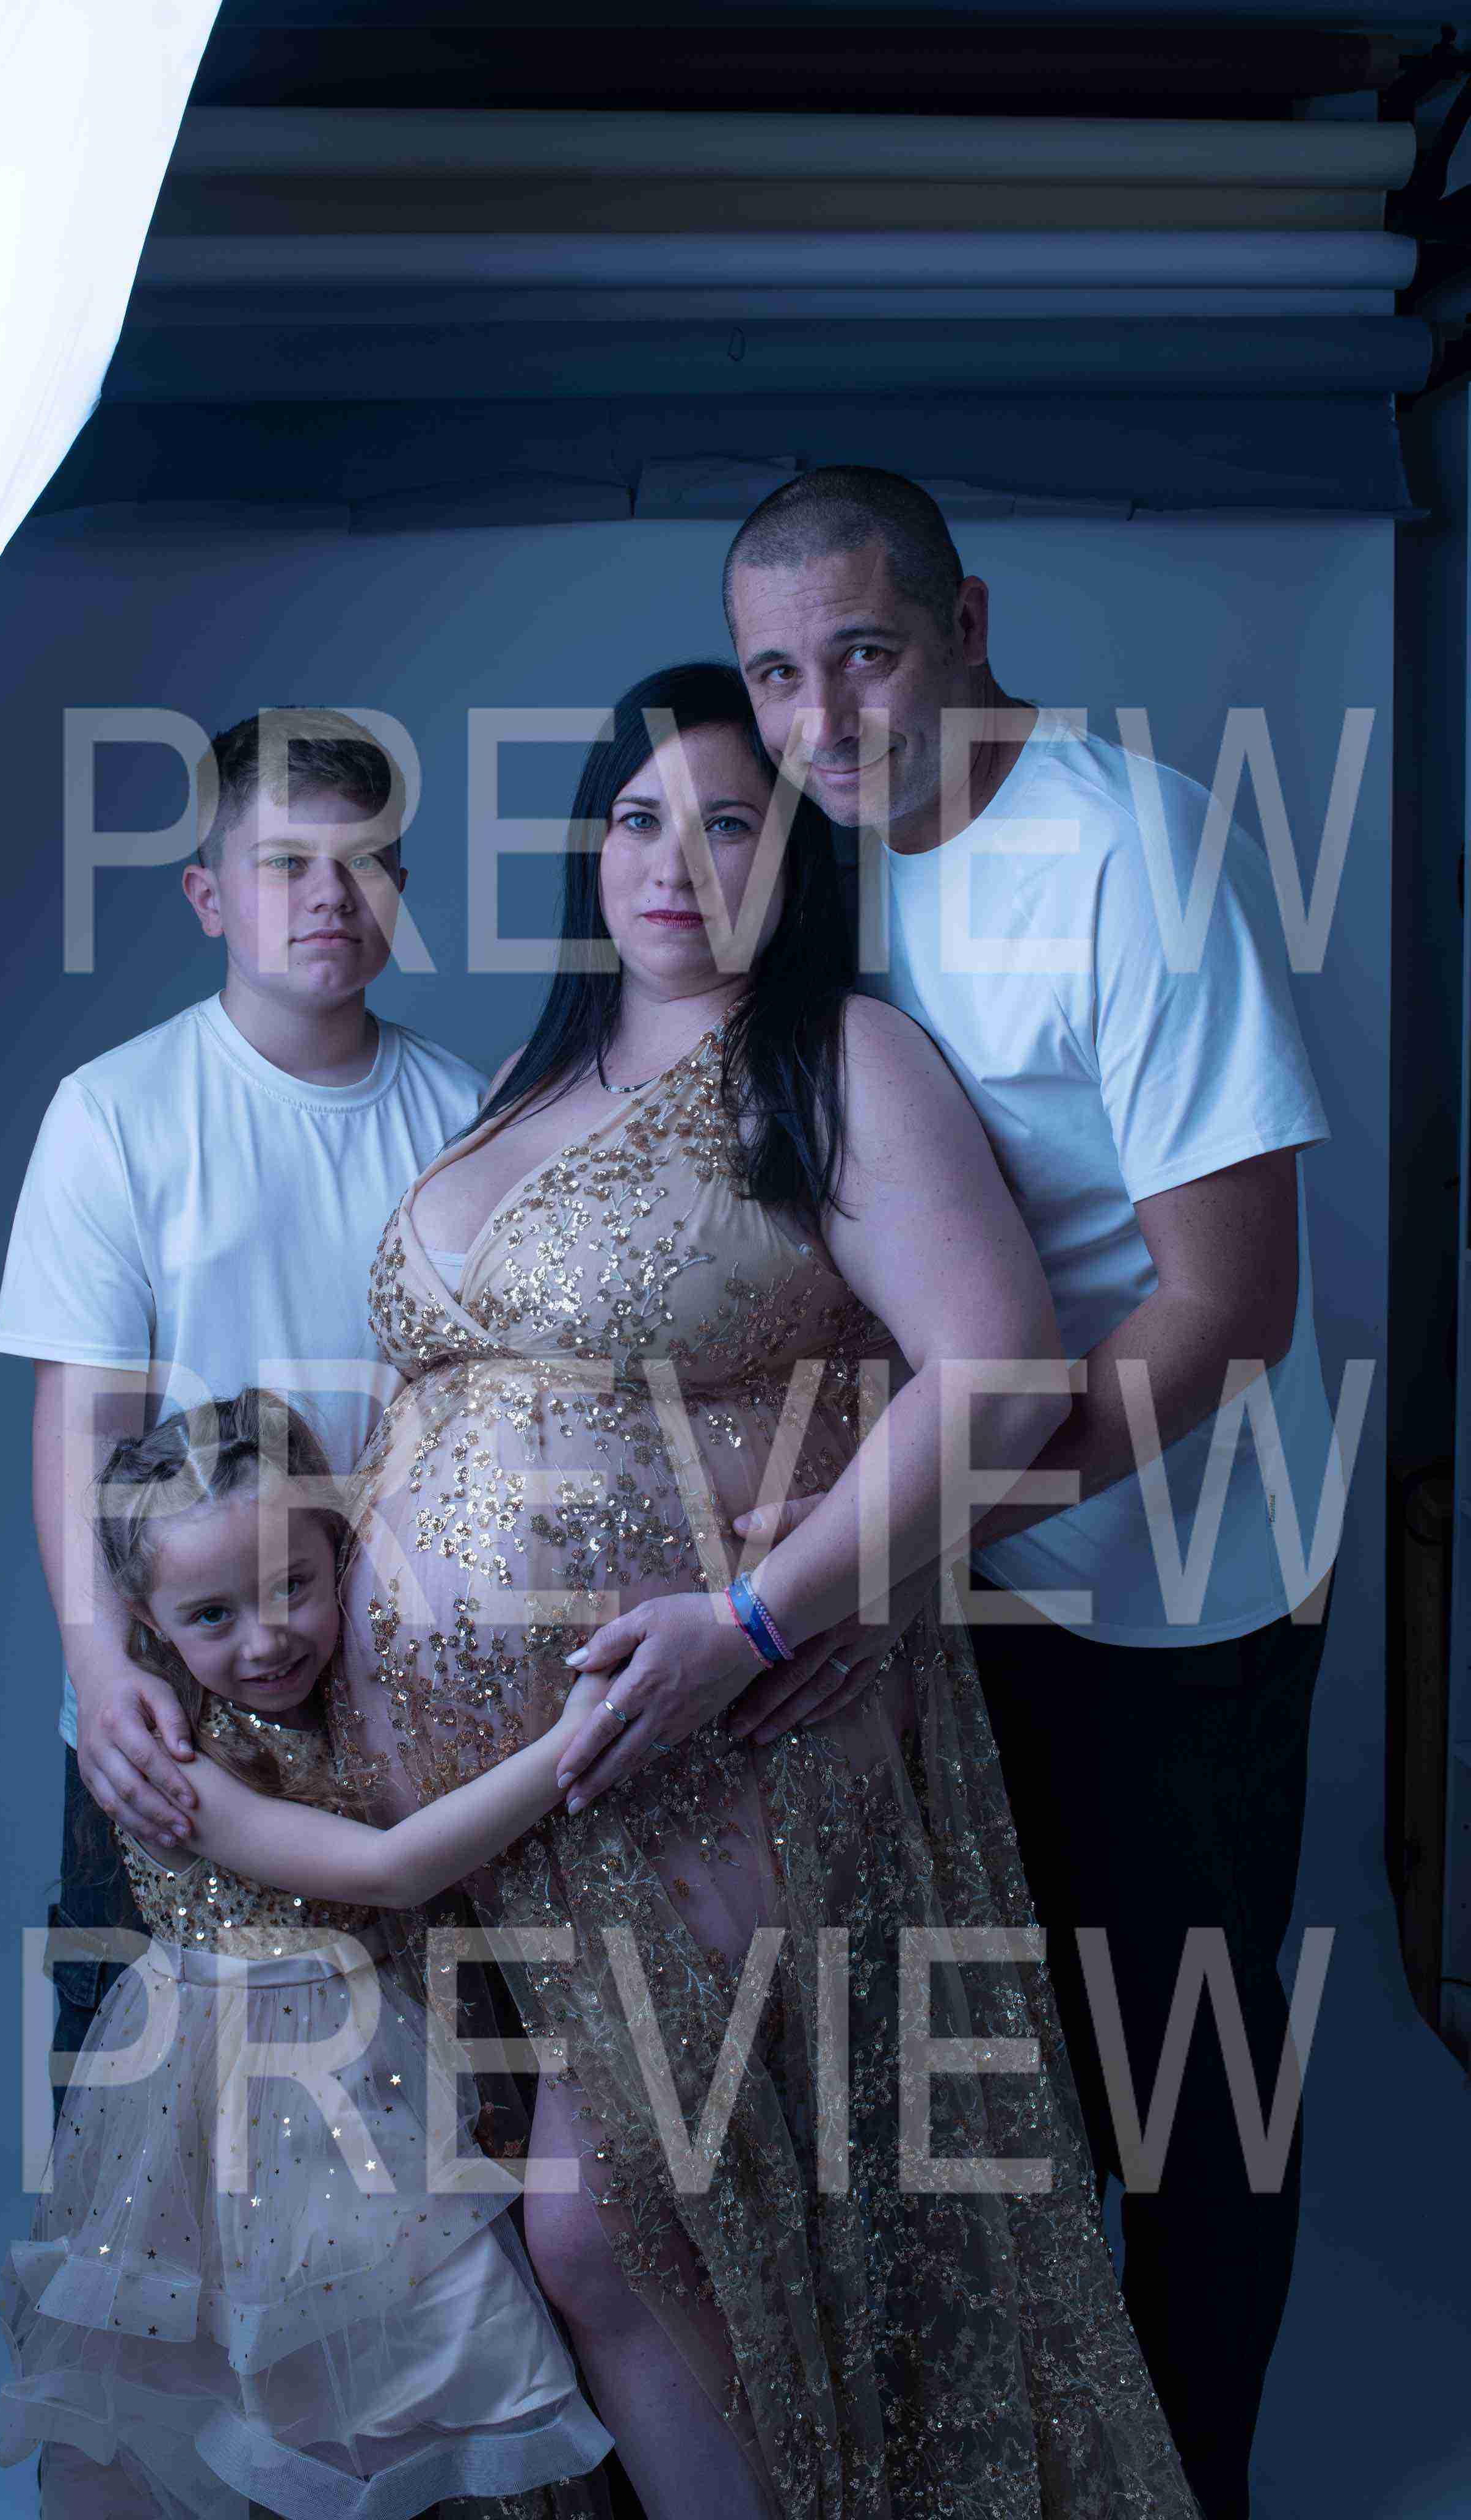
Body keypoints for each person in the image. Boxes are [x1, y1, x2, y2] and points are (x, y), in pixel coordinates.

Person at [260, 662, 1206, 2519]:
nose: (673, 862)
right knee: (556, 2237)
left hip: (714, 1741)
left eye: (729, 822)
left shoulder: (839, 1061)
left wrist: (763, 1613)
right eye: (638, 818)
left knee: (614, 2223)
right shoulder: (526, 1079)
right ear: (588, 848)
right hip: (478, 1801)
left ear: (800, 859)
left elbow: (1000, 1374)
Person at [724, 465, 1340, 2520]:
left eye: (865, 655)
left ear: (968, 624)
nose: (822, 719)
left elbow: (1229, 1306)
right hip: (962, 1567)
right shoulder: (825, 867)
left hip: (1175, 1585)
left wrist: (908, 1537)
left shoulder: (1124, 854)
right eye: (777, 676)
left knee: (1185, 2095)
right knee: (991, 2072)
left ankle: (1197, 2485)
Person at [0, 1388, 615, 2518]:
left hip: (375, 2063)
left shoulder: (353, 1692)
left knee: (407, 2359)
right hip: (241, 2094)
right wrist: (578, 1737)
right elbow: (389, 1872)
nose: (267, 1636)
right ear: (145, 1621)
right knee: (246, 2375)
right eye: (212, 1615)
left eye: (294, 1586)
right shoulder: (172, 1765)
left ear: (341, 1556)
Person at [0, 709, 487, 2105]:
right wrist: (105, 1670)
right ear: (209, 895)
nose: (330, 896)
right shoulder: (117, 1114)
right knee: (134, 2083)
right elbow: (84, 1427)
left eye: (364, 862)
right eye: (284, 864)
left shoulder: (463, 1118)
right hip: (179, 1676)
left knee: (417, 2095)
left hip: (389, 1678)